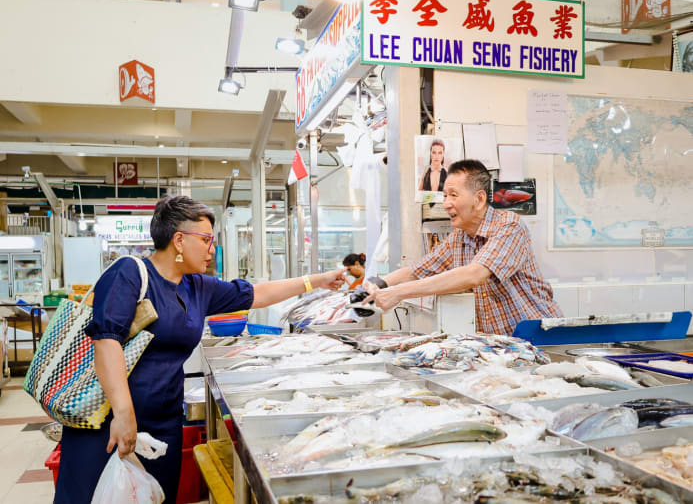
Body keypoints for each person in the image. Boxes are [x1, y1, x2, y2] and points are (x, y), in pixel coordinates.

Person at [55, 195, 345, 503]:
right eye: (206, 240)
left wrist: (318, 281)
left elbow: (256, 294)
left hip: (164, 425)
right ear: (179, 240)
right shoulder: (130, 273)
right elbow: (106, 340)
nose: (211, 249)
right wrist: (124, 414)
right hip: (109, 422)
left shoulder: (197, 286)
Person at [367, 160, 562, 336]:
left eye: (453, 195)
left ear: (479, 199)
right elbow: (417, 271)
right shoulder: (458, 238)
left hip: (540, 337)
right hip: (502, 346)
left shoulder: (509, 226)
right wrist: (379, 284)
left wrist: (399, 293)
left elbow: (474, 274)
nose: (446, 204)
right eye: (444, 196)